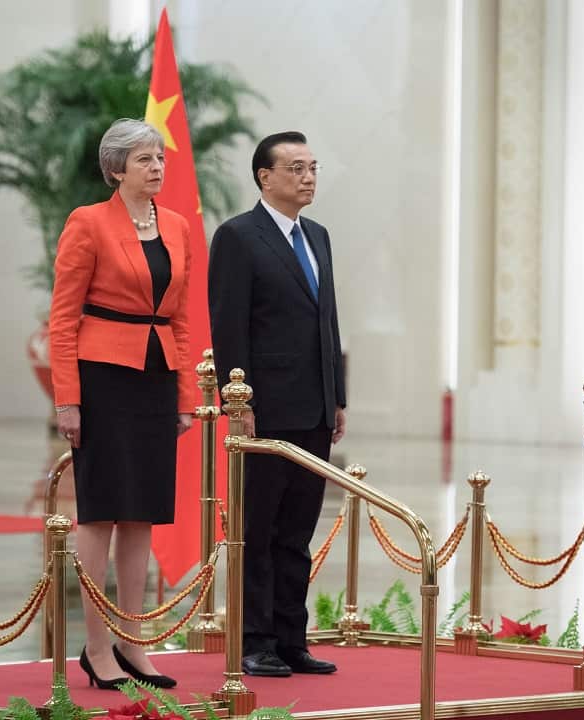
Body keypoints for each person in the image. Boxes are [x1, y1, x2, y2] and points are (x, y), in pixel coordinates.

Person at [49, 118, 194, 690]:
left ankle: (134, 643)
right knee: (102, 511)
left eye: (160, 158)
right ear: (115, 170)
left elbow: (180, 318)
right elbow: (62, 320)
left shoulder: (178, 226)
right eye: (143, 160)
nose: (157, 167)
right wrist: (68, 401)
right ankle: (97, 646)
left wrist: (184, 396)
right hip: (102, 379)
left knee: (143, 514)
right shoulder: (87, 223)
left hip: (156, 379)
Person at [209, 131, 347, 677]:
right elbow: (229, 324)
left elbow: (327, 322)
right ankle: (254, 640)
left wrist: (337, 396)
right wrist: (236, 399)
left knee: (297, 533)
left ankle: (292, 638)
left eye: (312, 167)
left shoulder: (318, 235)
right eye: (295, 168)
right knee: (260, 530)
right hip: (263, 408)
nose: (308, 177)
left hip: (313, 408)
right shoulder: (238, 237)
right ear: (265, 177)